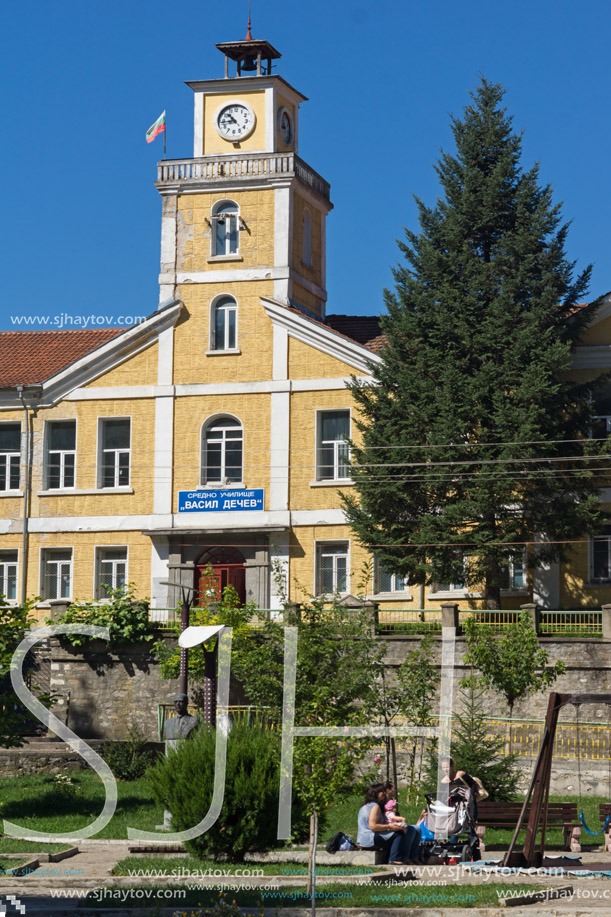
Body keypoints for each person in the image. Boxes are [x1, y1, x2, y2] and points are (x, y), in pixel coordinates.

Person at [357, 783, 421, 865]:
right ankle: (394, 859)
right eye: (381, 792)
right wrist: (390, 827)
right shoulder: (375, 806)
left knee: (401, 831)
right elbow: (373, 826)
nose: (384, 793)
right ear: (376, 793)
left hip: (364, 837)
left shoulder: (367, 805)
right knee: (398, 833)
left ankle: (405, 857)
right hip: (369, 838)